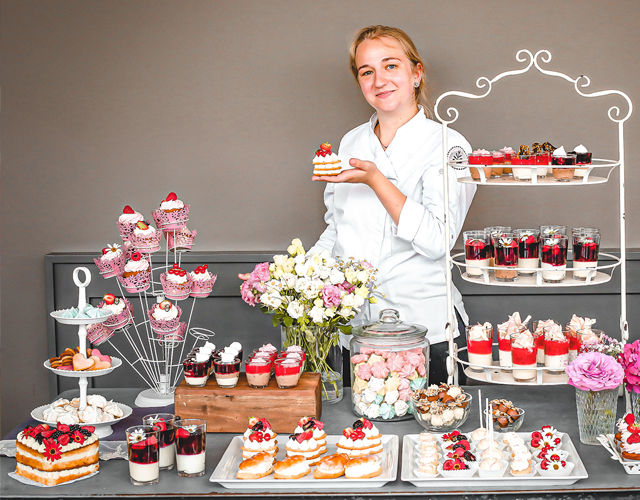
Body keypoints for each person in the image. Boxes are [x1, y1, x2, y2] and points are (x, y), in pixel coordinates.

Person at [241, 25, 475, 384]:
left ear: (416, 73)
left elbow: (436, 241)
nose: (379, 80)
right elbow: (337, 230)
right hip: (356, 333)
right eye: (367, 72)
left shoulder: (448, 144)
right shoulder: (351, 142)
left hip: (427, 332)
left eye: (391, 65)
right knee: (355, 421)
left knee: (428, 421)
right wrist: (286, 277)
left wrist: (376, 180)